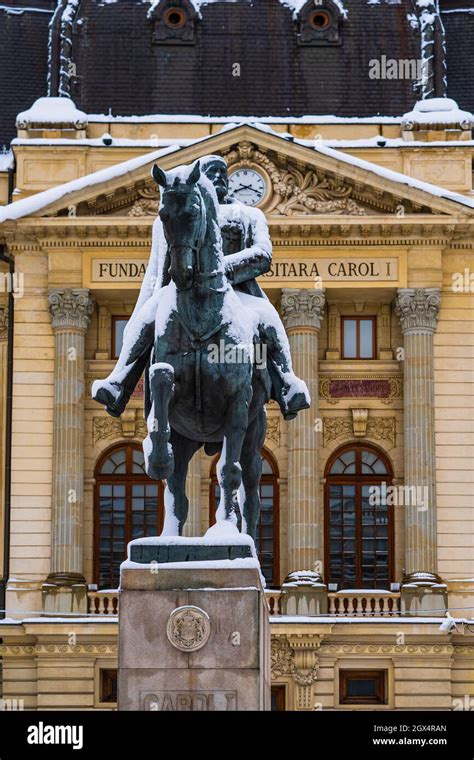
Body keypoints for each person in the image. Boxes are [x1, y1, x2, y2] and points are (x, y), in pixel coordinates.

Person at [92, 155, 310, 421]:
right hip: (183, 291)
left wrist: (217, 271)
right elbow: (164, 262)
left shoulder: (248, 215)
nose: (218, 177)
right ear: (199, 181)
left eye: (222, 173)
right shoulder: (181, 209)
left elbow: (262, 255)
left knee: (268, 318)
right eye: (211, 173)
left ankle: (288, 384)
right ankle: (118, 383)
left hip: (239, 295)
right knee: (145, 317)